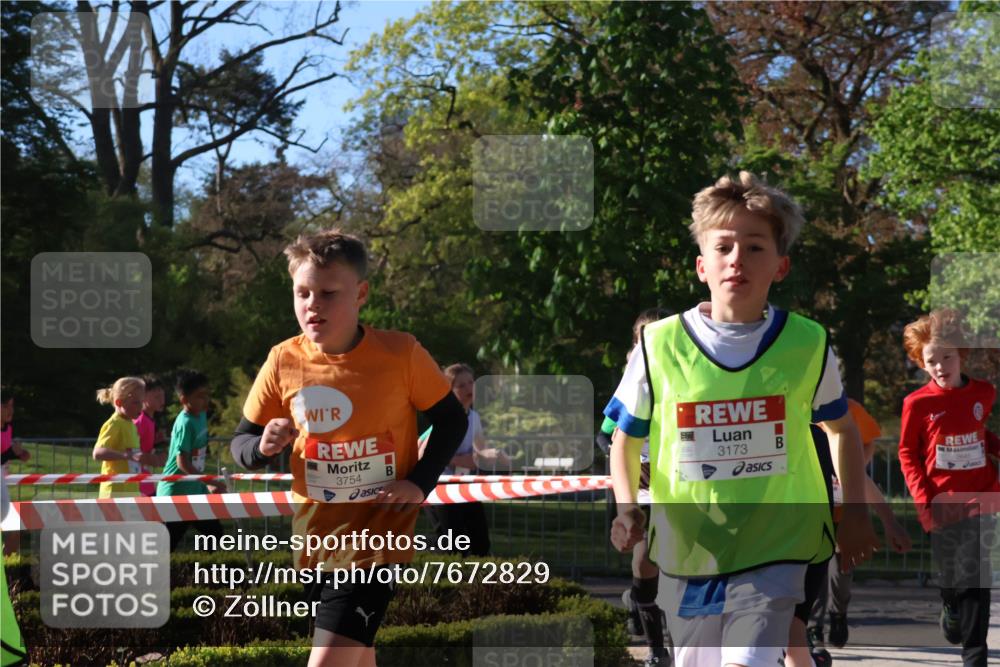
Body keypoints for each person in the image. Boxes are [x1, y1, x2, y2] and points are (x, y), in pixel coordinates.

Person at [606, 171, 879, 667]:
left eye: (755, 247)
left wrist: (856, 512)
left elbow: (841, 429)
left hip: (779, 542)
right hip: (691, 548)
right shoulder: (658, 345)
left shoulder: (808, 343)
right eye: (724, 247)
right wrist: (627, 510)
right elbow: (625, 439)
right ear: (701, 265)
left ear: (781, 265)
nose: (737, 259)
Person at [229, 229, 468, 667]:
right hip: (315, 541)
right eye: (302, 293)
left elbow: (452, 419)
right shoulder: (283, 359)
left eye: (328, 293)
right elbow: (240, 443)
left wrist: (419, 483)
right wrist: (261, 446)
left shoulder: (401, 353)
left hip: (378, 543)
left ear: (361, 294)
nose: (312, 304)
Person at [898, 308, 1000, 667]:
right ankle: (950, 604)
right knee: (952, 577)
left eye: (947, 357)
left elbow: (979, 433)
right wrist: (924, 503)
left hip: (982, 497)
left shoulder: (984, 393)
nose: (940, 366)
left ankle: (975, 657)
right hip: (941, 502)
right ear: (921, 363)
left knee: (976, 576)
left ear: (961, 355)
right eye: (931, 361)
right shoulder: (917, 404)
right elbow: (907, 453)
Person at [805, 399, 912, 653]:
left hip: (842, 516)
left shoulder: (843, 410)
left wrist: (889, 520)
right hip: (810, 518)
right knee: (813, 574)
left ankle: (838, 613)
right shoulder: (795, 415)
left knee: (841, 574)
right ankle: (813, 630)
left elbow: (864, 466)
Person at [601, 308, 673, 666]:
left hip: (678, 485)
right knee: (645, 564)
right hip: (642, 488)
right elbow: (605, 434)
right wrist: (623, 459)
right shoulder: (634, 374)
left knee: (677, 570)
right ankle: (656, 650)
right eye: (646, 336)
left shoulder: (686, 369)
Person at [419, 363, 511, 557]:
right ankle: (413, 546)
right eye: (461, 385)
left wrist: (496, 454)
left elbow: (480, 450)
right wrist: (457, 460)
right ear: (449, 392)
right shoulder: (445, 420)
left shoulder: (474, 417)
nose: (469, 388)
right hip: (439, 486)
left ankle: (478, 577)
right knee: (454, 544)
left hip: (464, 486)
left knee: (480, 542)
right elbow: (422, 453)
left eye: (471, 382)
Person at [157, 370, 225, 551]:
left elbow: (196, 458)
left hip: (195, 490)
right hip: (176, 493)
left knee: (215, 535)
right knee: (166, 546)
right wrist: (210, 481)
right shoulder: (185, 423)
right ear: (184, 400)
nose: (206, 400)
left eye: (207, 394)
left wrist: (205, 484)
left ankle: (200, 567)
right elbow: (183, 463)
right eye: (200, 396)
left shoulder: (201, 415)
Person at [93, 377, 151, 498]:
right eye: (136, 403)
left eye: (142, 402)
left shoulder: (131, 425)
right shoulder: (114, 424)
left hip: (130, 492)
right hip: (114, 493)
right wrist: (125, 455)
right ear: (119, 403)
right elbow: (98, 453)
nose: (141, 407)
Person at [134, 375, 167, 497]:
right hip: (137, 482)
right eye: (157, 397)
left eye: (163, 396)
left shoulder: (151, 421)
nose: (162, 401)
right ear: (142, 397)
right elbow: (131, 452)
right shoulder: (140, 421)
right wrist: (156, 459)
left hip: (145, 479)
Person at [0, 388, 30, 467]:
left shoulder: (8, 429)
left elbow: (3, 455)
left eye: (11, 405)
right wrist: (11, 452)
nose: (10, 410)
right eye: (5, 406)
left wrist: (19, 454)